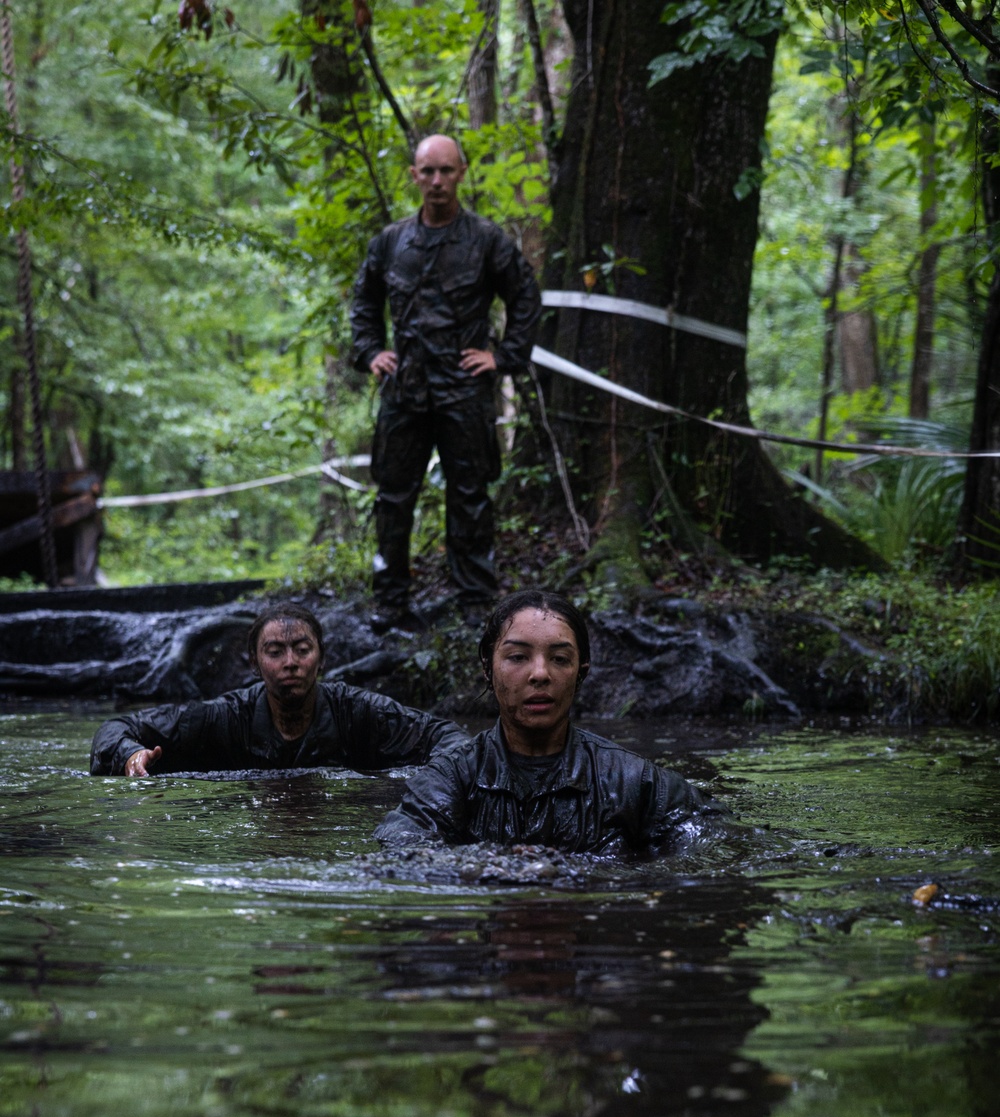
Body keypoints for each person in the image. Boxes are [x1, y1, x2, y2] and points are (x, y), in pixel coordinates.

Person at [350, 134, 542, 630]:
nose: (437, 181)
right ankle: (390, 603)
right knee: (393, 498)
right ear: (413, 175)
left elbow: (525, 296)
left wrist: (503, 357)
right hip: (405, 392)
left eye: (447, 171)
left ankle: (476, 603)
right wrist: (371, 352)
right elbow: (364, 303)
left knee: (470, 495)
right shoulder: (391, 243)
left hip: (463, 391)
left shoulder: (485, 240)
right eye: (428, 171)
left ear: (461, 174)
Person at [376, 590, 715, 853]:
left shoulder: (629, 781)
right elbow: (400, 843)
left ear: (580, 674)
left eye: (559, 659)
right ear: (487, 670)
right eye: (518, 657)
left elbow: (719, 836)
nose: (540, 674)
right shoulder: (454, 777)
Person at [90, 603, 466, 776]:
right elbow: (116, 728)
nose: (290, 662)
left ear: (321, 658)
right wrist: (130, 754)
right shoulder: (224, 716)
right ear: (254, 663)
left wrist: (438, 776)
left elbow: (447, 735)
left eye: (302, 650)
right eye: (275, 652)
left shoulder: (357, 711)